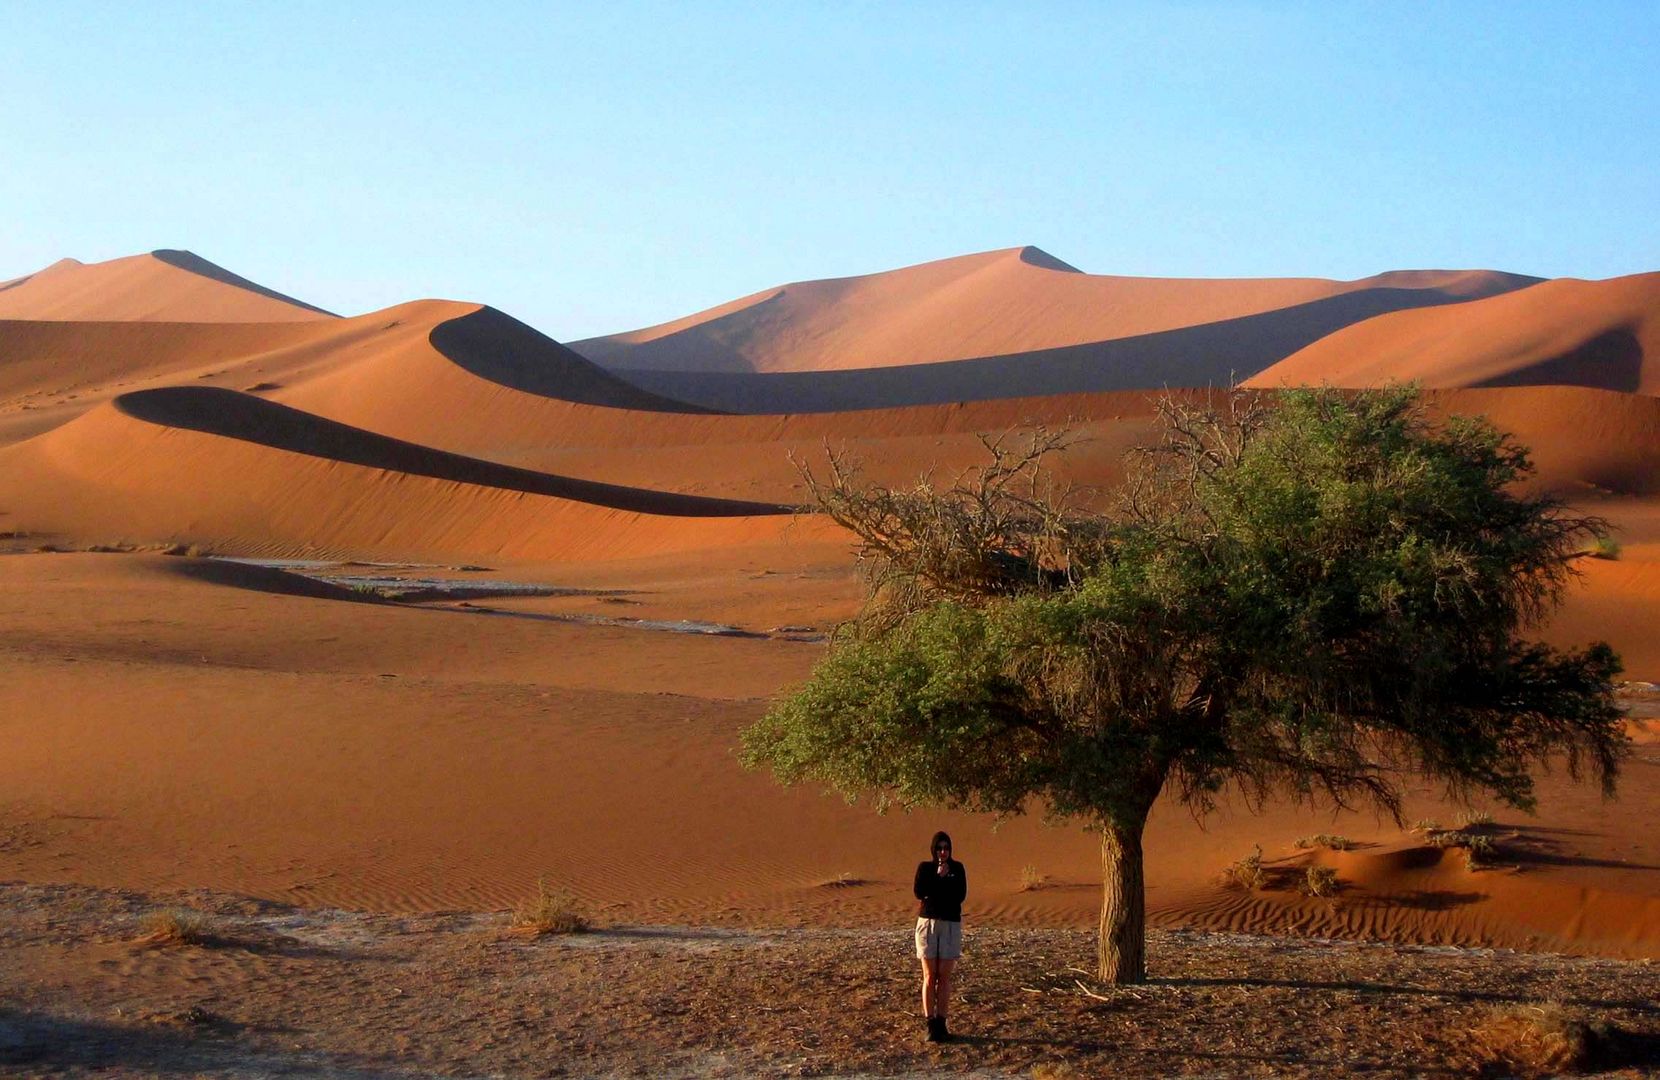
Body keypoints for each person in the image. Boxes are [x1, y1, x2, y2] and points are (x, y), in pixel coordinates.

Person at [913, 830, 966, 1042]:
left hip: (950, 924)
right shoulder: (925, 868)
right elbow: (919, 892)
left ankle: (942, 1022)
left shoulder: (958, 868)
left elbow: (959, 895)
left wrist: (944, 881)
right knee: (929, 975)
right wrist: (938, 878)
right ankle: (930, 1023)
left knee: (944, 976)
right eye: (939, 848)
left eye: (946, 848)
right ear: (933, 849)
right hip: (928, 923)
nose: (943, 852)